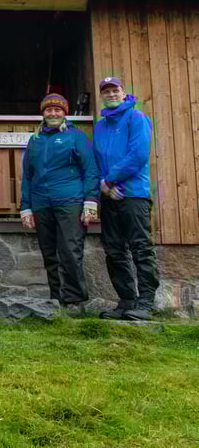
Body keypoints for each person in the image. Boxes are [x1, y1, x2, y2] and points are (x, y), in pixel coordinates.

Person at [20, 93, 99, 316]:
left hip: (70, 201)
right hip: (41, 203)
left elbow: (90, 169)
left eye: (58, 110)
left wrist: (90, 201)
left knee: (70, 251)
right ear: (43, 113)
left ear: (65, 113)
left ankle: (75, 301)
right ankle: (56, 299)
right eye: (48, 110)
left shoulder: (76, 137)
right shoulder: (35, 140)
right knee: (49, 253)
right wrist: (26, 207)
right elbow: (27, 175)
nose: (53, 113)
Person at [93, 77, 158, 321]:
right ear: (101, 96)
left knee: (141, 249)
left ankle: (146, 303)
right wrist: (103, 185)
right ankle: (126, 301)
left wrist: (110, 180)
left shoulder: (137, 118)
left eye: (115, 90)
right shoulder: (100, 126)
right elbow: (97, 160)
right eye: (106, 91)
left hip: (133, 195)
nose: (111, 94)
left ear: (123, 93)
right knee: (114, 251)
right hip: (109, 197)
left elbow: (138, 154)